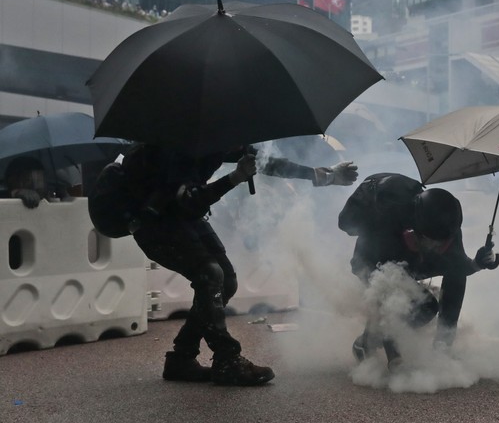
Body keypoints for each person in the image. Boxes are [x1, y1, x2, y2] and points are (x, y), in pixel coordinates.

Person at [108, 143, 358, 386]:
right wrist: (235, 178)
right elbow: (190, 200)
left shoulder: (220, 138)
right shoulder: (178, 147)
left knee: (226, 280)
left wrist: (322, 175)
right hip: (154, 224)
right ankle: (227, 361)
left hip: (182, 218)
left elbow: (267, 162)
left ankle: (181, 358)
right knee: (209, 274)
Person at [337, 172, 499, 370]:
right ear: (413, 230)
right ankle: (367, 342)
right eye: (431, 241)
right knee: (424, 308)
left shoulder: (447, 226)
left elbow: (457, 267)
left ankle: (440, 348)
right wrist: (395, 357)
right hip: (373, 261)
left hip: (411, 259)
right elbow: (386, 296)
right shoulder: (387, 216)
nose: (438, 248)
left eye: (442, 243)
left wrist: (477, 263)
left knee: (452, 278)